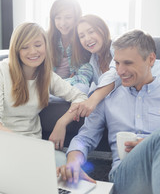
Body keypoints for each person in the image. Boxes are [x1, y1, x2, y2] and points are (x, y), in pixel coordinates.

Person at [58, 30, 160, 194]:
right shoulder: (107, 97)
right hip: (126, 177)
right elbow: (84, 138)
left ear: (151, 59)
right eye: (117, 63)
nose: (120, 71)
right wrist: (73, 163)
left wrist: (150, 147)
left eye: (128, 63)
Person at [0, 22, 88, 164]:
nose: (33, 52)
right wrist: (21, 147)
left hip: (34, 146)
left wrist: (61, 123)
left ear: (45, 46)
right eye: (25, 47)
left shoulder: (47, 76)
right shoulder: (2, 71)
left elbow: (81, 97)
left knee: (64, 166)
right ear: (16, 50)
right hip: (6, 145)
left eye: (38, 45)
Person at [70, 14, 118, 118]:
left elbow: (117, 72)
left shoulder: (118, 45)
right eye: (82, 36)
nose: (87, 39)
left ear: (102, 30)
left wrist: (93, 99)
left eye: (91, 32)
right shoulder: (92, 62)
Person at [47, 0, 93, 94]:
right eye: (58, 18)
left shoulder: (84, 41)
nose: (63, 23)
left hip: (70, 91)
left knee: (82, 88)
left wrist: (61, 83)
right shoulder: (46, 39)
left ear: (76, 18)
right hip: (47, 91)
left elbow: (83, 78)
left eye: (68, 17)